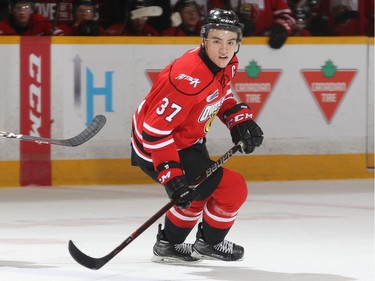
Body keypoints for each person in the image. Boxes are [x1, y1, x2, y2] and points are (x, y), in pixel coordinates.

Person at [130, 8, 263, 263]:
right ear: (203, 41)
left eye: (230, 41)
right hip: (156, 147)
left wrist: (238, 120)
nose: (224, 49)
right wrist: (172, 176)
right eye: (216, 41)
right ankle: (209, 243)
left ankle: (170, 244)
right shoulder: (187, 78)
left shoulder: (226, 63)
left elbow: (219, 95)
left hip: (187, 141)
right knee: (232, 187)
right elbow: (155, 131)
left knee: (196, 192)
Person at [207, 0, 296, 49]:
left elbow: (287, 16)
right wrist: (233, 27)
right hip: (231, 48)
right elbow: (212, 21)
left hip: (266, 47)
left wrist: (281, 28)